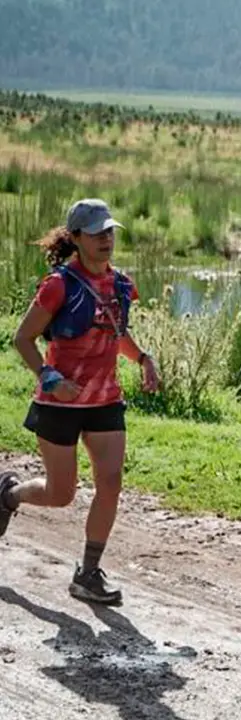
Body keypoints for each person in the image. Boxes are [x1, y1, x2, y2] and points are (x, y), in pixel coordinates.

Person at [0, 198, 160, 604]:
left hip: (105, 400)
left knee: (110, 483)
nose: (106, 240)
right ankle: (8, 494)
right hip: (58, 405)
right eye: (96, 233)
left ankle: (88, 574)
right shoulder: (58, 285)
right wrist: (49, 378)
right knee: (61, 494)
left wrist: (142, 358)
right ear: (76, 238)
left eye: (109, 232)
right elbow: (23, 338)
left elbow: (114, 331)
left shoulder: (121, 283)